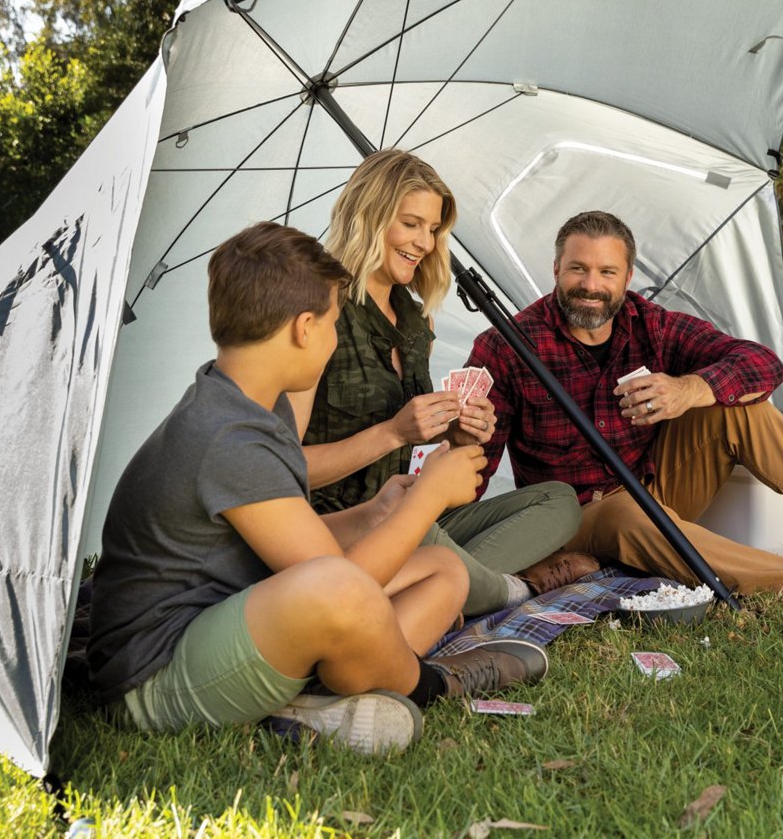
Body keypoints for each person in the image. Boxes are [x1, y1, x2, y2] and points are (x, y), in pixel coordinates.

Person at [87, 222, 548, 757]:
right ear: (304, 327)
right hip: (156, 679)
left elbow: (293, 545)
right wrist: (427, 499)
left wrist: (376, 512)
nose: (334, 337)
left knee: (442, 569)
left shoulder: (252, 404)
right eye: (333, 322)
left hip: (231, 619)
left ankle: (310, 703)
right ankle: (433, 683)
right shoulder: (227, 435)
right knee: (338, 588)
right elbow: (338, 581)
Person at [464, 210, 783, 615]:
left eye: (606, 272)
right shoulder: (507, 346)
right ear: (556, 270)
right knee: (627, 515)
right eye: (578, 269)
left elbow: (762, 363)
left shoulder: (650, 324)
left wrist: (690, 389)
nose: (590, 284)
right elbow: (472, 467)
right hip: (575, 514)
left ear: (627, 277)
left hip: (655, 486)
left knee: (738, 407)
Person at [293, 150, 595, 617]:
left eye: (433, 229)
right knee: (422, 532)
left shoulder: (417, 322)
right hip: (343, 524)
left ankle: (437, 586)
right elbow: (284, 470)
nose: (425, 243)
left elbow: (416, 453)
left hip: (411, 512)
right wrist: (393, 432)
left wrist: (456, 434)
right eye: (411, 223)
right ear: (370, 217)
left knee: (558, 501)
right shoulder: (319, 312)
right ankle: (503, 590)